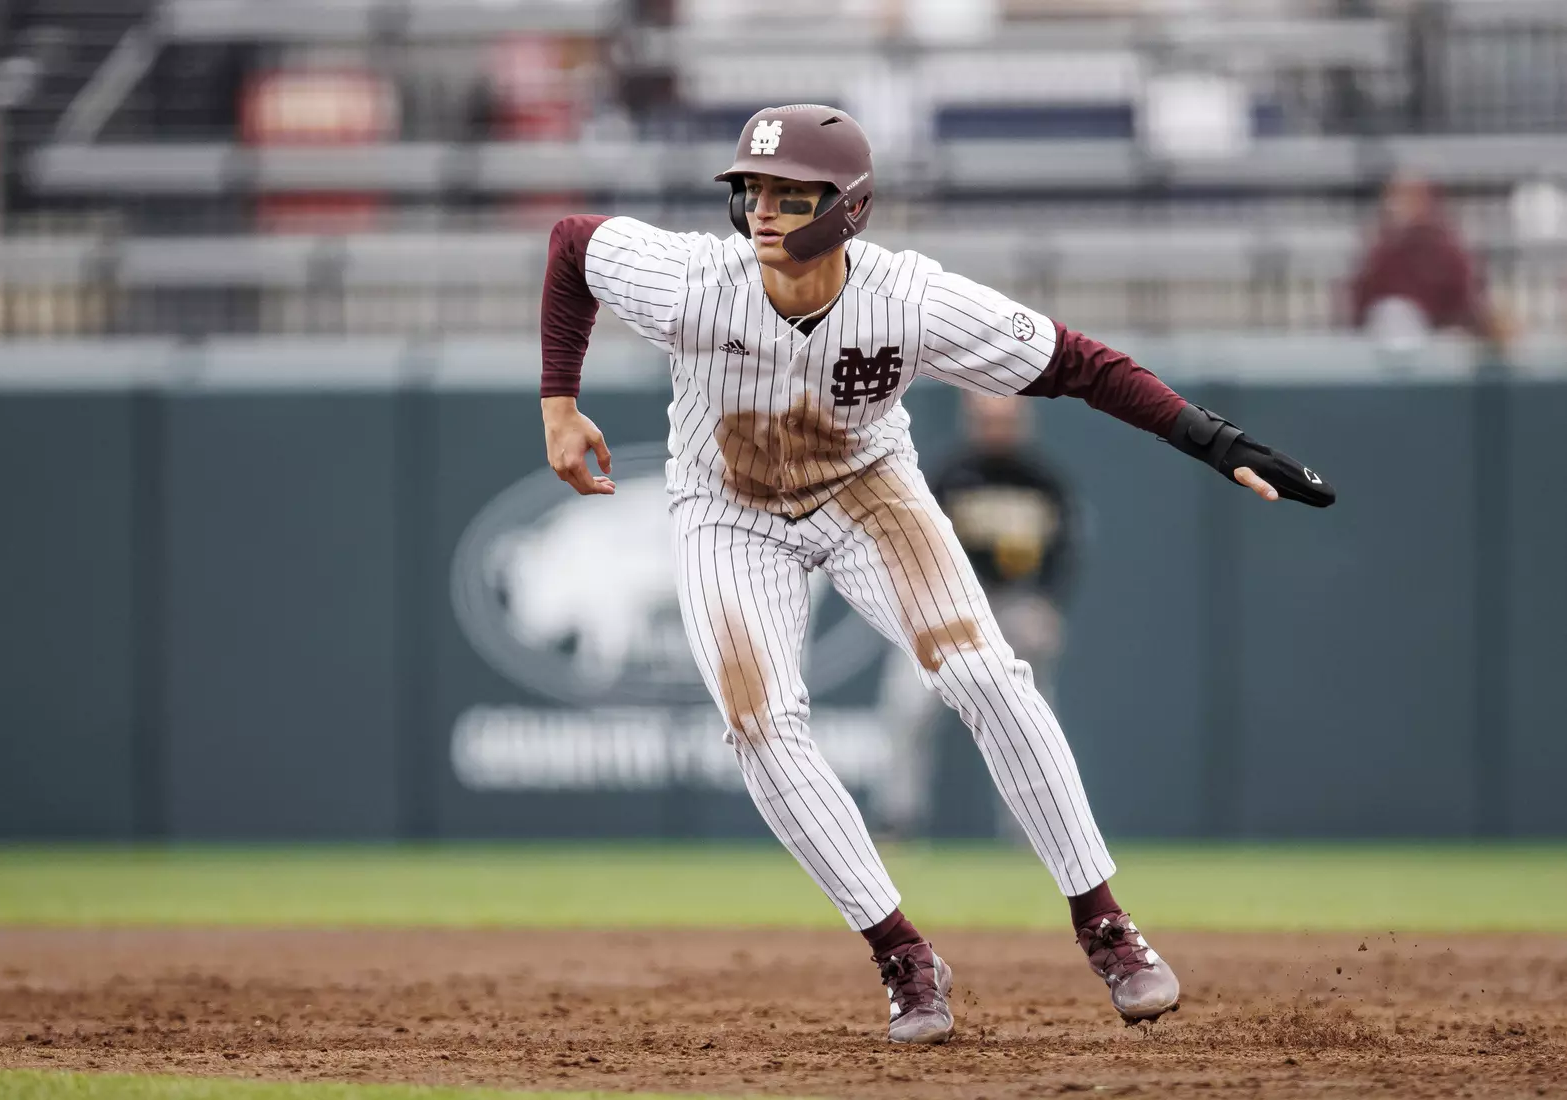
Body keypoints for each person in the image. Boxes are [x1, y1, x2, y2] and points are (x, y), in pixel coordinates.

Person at [538, 104, 1334, 1045]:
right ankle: (902, 954)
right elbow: (572, 245)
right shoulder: (691, 281)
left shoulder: (906, 298)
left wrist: (1214, 440)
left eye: (791, 195)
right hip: (727, 511)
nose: (762, 212)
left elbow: (1077, 362)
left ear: (848, 208)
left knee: (987, 675)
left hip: (869, 492)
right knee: (759, 726)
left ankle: (1105, 925)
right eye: (752, 190)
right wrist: (558, 401)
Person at [873, 392, 1079, 840]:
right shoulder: (950, 475)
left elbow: (1064, 552)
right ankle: (898, 819)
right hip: (953, 603)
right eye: (987, 420)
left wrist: (1049, 603)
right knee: (907, 708)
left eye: (1005, 420)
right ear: (971, 421)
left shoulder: (1041, 480)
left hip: (1015, 602)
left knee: (1028, 720)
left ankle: (1037, 827)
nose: (996, 430)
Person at [1351, 172, 1511, 350]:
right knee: (1394, 312)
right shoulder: (1381, 251)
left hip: (1440, 342)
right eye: (1396, 197)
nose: (1396, 205)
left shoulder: (1448, 250)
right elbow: (1361, 306)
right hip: (1389, 341)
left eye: (1409, 197)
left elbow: (1466, 304)